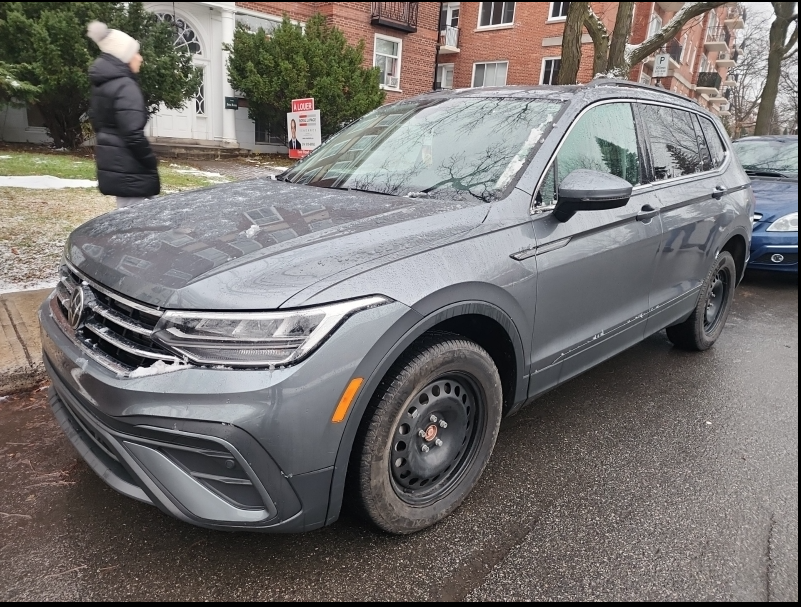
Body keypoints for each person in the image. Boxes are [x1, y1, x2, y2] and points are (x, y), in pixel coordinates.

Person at [86, 21, 159, 208]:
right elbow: (133, 134)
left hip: (116, 166)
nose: (140, 58)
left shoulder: (102, 85)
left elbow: (98, 123)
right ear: (125, 57)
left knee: (128, 222)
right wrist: (150, 160)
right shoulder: (125, 86)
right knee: (140, 227)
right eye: (136, 53)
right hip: (132, 169)